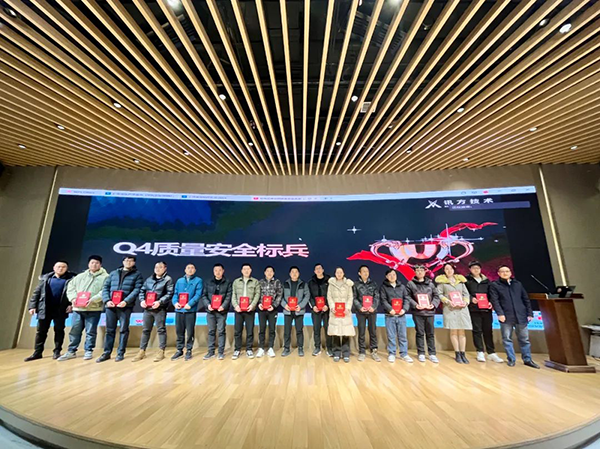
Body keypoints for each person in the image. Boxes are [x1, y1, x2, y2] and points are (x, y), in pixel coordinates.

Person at [59, 255, 109, 361]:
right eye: (92, 262)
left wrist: (93, 299)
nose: (94, 265)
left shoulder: (106, 277)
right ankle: (71, 351)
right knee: (75, 330)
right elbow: (71, 288)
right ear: (88, 264)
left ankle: (88, 351)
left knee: (90, 331)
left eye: (97, 263)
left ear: (100, 264)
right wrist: (73, 299)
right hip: (78, 309)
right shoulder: (80, 276)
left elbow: (105, 291)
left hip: (94, 309)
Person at [489, 265, 539, 368]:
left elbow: (525, 299)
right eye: (502, 271)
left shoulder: (517, 284)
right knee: (507, 339)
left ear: (510, 273)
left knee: (524, 339)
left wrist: (530, 313)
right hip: (506, 316)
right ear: (498, 273)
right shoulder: (495, 285)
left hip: (521, 315)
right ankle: (511, 359)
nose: (505, 273)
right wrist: (500, 314)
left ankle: (527, 359)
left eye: (507, 271)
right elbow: (495, 301)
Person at [25, 261, 76, 361]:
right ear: (54, 268)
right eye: (58, 267)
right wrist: (32, 306)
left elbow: (75, 293)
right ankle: (37, 352)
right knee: (41, 332)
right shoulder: (45, 279)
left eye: (63, 267)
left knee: (59, 331)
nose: (61, 268)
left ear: (67, 268)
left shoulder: (71, 279)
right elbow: (36, 293)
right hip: (45, 309)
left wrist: (71, 305)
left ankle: (57, 351)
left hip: (60, 309)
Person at [97, 255, 143, 363]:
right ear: (123, 261)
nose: (128, 262)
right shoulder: (113, 273)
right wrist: (107, 300)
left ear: (134, 263)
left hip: (125, 306)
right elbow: (105, 288)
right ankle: (106, 353)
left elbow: (137, 290)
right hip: (111, 306)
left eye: (130, 260)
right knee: (109, 330)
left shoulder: (137, 274)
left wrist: (126, 301)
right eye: (126, 260)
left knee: (123, 330)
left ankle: (120, 353)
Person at [132, 261, 174, 363]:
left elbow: (169, 293)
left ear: (165, 268)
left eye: (160, 267)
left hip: (160, 309)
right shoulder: (149, 279)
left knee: (161, 330)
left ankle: (161, 351)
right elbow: (142, 291)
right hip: (147, 309)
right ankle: (142, 351)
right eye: (156, 267)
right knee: (145, 330)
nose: (157, 269)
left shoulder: (168, 279)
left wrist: (159, 302)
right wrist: (142, 300)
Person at [465, 261, 503, 363]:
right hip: (474, 309)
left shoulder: (487, 281)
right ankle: (480, 351)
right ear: (470, 269)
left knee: (488, 330)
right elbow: (464, 293)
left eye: (477, 268)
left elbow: (491, 294)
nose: (476, 270)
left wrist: (491, 302)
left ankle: (491, 352)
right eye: (473, 268)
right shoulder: (466, 280)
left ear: (480, 269)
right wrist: (471, 298)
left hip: (486, 309)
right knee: (477, 330)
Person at [435, 263, 473, 364]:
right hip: (450, 309)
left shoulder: (460, 281)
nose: (449, 271)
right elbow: (439, 294)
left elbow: (466, 294)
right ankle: (457, 353)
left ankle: (463, 353)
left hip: (462, 309)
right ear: (444, 270)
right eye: (446, 269)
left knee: (462, 332)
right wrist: (448, 301)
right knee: (453, 332)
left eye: (450, 269)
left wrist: (465, 302)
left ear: (453, 269)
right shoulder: (442, 282)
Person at [406, 265, 441, 363]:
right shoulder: (410, 284)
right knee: (420, 333)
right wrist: (415, 305)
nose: (420, 272)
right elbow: (407, 297)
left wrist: (433, 305)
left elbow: (436, 296)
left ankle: (432, 353)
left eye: (421, 270)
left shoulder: (430, 284)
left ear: (425, 272)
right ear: (414, 272)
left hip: (429, 312)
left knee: (430, 333)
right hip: (418, 312)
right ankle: (421, 353)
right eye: (417, 270)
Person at [380, 268, 412, 364]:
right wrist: (390, 309)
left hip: (401, 315)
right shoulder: (383, 287)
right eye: (390, 275)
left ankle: (404, 354)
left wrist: (404, 309)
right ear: (386, 277)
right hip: (389, 315)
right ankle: (392, 353)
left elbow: (406, 299)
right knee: (391, 336)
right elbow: (383, 300)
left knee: (403, 336)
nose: (392, 276)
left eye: (394, 274)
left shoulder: (402, 287)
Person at [171, 263, 203, 361]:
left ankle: (189, 350)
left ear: (195, 270)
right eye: (188, 268)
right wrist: (175, 303)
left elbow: (198, 294)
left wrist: (190, 304)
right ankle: (179, 350)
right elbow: (175, 293)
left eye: (192, 268)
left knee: (190, 331)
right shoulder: (179, 281)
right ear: (185, 270)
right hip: (179, 310)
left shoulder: (198, 281)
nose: (190, 270)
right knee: (179, 331)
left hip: (190, 310)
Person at [201, 263, 232, 360]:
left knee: (221, 331)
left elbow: (228, 296)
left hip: (222, 311)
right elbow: (204, 295)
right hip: (210, 311)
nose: (218, 272)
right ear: (213, 271)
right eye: (216, 270)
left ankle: (221, 352)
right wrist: (208, 305)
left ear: (223, 271)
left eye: (219, 270)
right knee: (211, 331)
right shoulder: (208, 282)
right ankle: (211, 352)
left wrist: (223, 306)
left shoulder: (227, 282)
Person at [231, 263, 261, 360]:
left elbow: (257, 294)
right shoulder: (236, 282)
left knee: (250, 330)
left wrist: (252, 305)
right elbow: (233, 295)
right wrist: (236, 306)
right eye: (244, 269)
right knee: (237, 331)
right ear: (241, 271)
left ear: (251, 270)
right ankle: (237, 349)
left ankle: (249, 349)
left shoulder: (255, 282)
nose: (246, 271)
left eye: (248, 269)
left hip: (250, 310)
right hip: (238, 310)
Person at [353, 265, 381, 362]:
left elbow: (377, 296)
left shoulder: (374, 284)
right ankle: (362, 351)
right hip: (361, 312)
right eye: (364, 271)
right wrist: (360, 307)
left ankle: (374, 350)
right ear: (359, 273)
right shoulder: (356, 284)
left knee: (373, 331)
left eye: (367, 271)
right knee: (361, 332)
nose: (366, 273)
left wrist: (373, 307)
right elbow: (354, 298)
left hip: (372, 311)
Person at [327, 267, 355, 363]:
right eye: (337, 272)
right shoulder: (331, 284)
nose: (339, 274)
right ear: (335, 274)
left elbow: (350, 297)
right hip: (335, 312)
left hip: (345, 312)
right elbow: (329, 297)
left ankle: (346, 353)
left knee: (346, 333)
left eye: (341, 272)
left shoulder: (348, 284)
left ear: (343, 274)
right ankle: (336, 353)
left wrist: (348, 308)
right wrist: (332, 307)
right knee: (335, 333)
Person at [281, 266, 310, 357]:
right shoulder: (285, 284)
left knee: (299, 330)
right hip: (288, 311)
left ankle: (300, 348)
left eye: (296, 272)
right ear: (290, 274)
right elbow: (280, 297)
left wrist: (300, 306)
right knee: (287, 331)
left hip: (299, 311)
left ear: (299, 274)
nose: (294, 273)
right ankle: (286, 348)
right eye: (292, 272)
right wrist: (285, 305)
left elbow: (307, 296)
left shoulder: (303, 284)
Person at [257, 266, 283, 358]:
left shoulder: (277, 282)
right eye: (267, 271)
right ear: (264, 272)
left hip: (273, 310)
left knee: (272, 329)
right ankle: (261, 348)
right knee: (262, 329)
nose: (269, 273)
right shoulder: (260, 282)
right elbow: (257, 294)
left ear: (273, 273)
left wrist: (274, 305)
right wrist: (259, 304)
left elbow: (279, 295)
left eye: (271, 271)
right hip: (262, 310)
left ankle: (271, 348)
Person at [308, 263, 332, 357]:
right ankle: (317, 347)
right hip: (315, 310)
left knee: (328, 329)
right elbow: (309, 296)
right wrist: (313, 306)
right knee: (316, 329)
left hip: (326, 310)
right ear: (314, 271)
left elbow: (331, 294)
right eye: (316, 269)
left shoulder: (329, 281)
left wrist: (327, 305)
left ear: (323, 270)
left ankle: (329, 348)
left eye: (320, 268)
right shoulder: (311, 282)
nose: (318, 270)